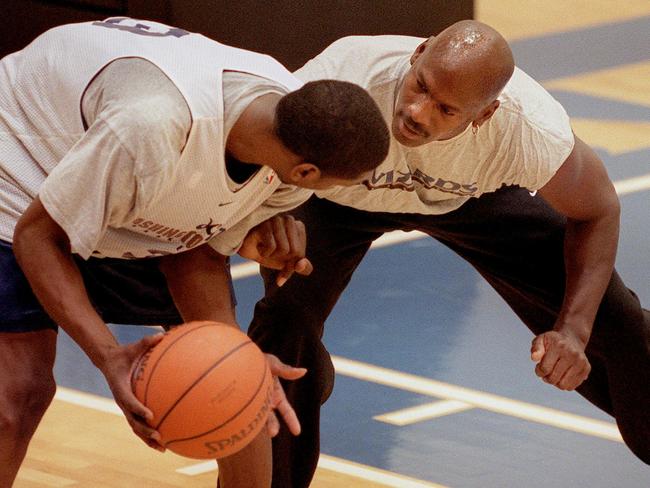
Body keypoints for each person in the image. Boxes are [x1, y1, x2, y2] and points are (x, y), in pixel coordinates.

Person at [248, 19, 650, 487]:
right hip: (339, 194)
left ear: (483, 115)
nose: (417, 112)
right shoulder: (342, 77)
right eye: (420, 86)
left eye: (446, 109)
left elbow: (598, 208)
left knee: (617, 323)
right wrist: (266, 215)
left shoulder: (525, 128)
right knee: (284, 329)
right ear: (418, 54)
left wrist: (575, 332)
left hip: (471, 197)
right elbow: (258, 153)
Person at [0, 17, 390, 487]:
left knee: (235, 389)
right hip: (23, 168)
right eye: (343, 184)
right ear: (307, 172)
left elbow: (196, 251)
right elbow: (36, 239)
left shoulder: (288, 145)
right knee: (18, 394)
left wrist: (234, 356)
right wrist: (108, 356)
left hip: (130, 183)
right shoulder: (151, 127)